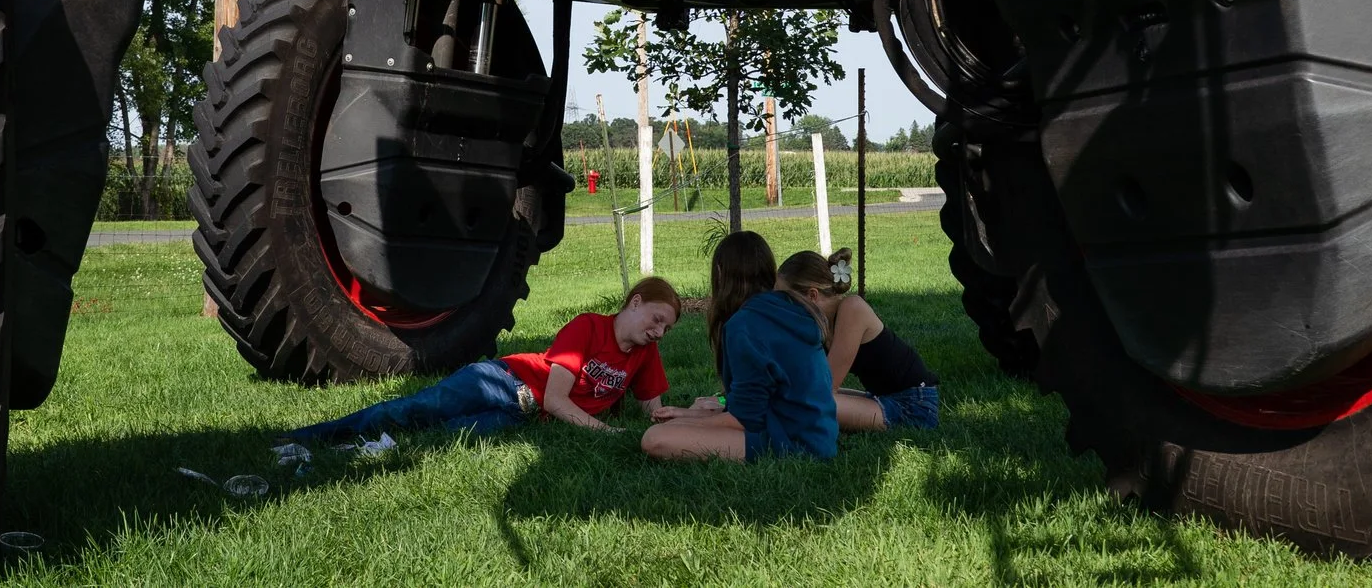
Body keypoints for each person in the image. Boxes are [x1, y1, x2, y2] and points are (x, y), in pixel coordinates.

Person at [280, 277, 680, 445]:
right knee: (417, 408)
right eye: (657, 319)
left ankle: (343, 452)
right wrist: (604, 431)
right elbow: (556, 400)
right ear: (636, 302)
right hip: (504, 381)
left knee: (438, 436)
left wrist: (694, 414)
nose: (659, 332)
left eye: (667, 329)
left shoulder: (645, 354)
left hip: (520, 415)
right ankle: (309, 437)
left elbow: (652, 413)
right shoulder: (589, 327)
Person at [642, 232, 837, 462]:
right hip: (820, 438)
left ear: (721, 274)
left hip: (792, 445)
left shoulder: (744, 325)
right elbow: (760, 398)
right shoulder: (791, 308)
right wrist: (686, 413)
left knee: (655, 438)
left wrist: (687, 422)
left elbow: (745, 420)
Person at [778, 248, 941, 431]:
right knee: (791, 398)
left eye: (785, 301)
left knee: (807, 403)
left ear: (812, 296)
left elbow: (824, 388)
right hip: (880, 398)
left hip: (914, 405)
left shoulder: (852, 309)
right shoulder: (821, 324)